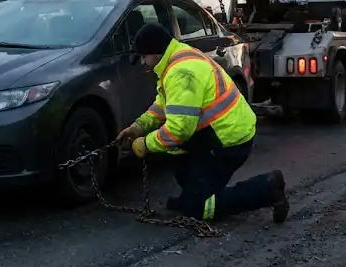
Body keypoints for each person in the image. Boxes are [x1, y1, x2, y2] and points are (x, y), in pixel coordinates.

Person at [115, 22, 289, 224]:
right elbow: (163, 104)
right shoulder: (176, 57)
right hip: (218, 133)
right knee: (173, 151)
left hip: (230, 141)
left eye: (144, 57)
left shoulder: (181, 73)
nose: (143, 62)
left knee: (200, 208)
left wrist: (145, 144)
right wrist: (139, 126)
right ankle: (193, 193)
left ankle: (268, 188)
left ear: (155, 52)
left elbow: (178, 131)